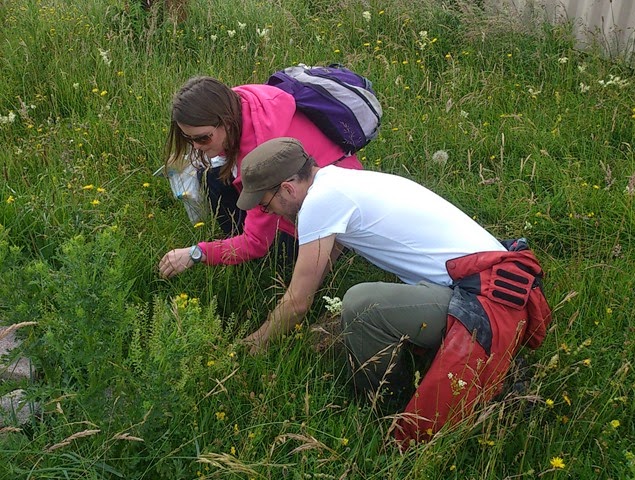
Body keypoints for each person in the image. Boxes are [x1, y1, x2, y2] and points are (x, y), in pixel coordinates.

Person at [236, 137, 552, 446]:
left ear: (288, 188)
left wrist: (255, 343)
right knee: (337, 324)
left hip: (483, 302)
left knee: (361, 306)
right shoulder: (339, 181)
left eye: (266, 205)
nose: (271, 214)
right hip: (498, 286)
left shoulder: (319, 203)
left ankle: (384, 404)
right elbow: (322, 268)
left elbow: (297, 303)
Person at [158, 76, 362, 279]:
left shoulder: (262, 153)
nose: (196, 146)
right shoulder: (241, 102)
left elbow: (257, 243)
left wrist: (198, 253)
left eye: (203, 138)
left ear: (227, 123)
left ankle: (253, 261)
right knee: (213, 176)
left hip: (338, 220)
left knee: (281, 260)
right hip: (318, 184)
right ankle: (235, 244)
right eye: (188, 139)